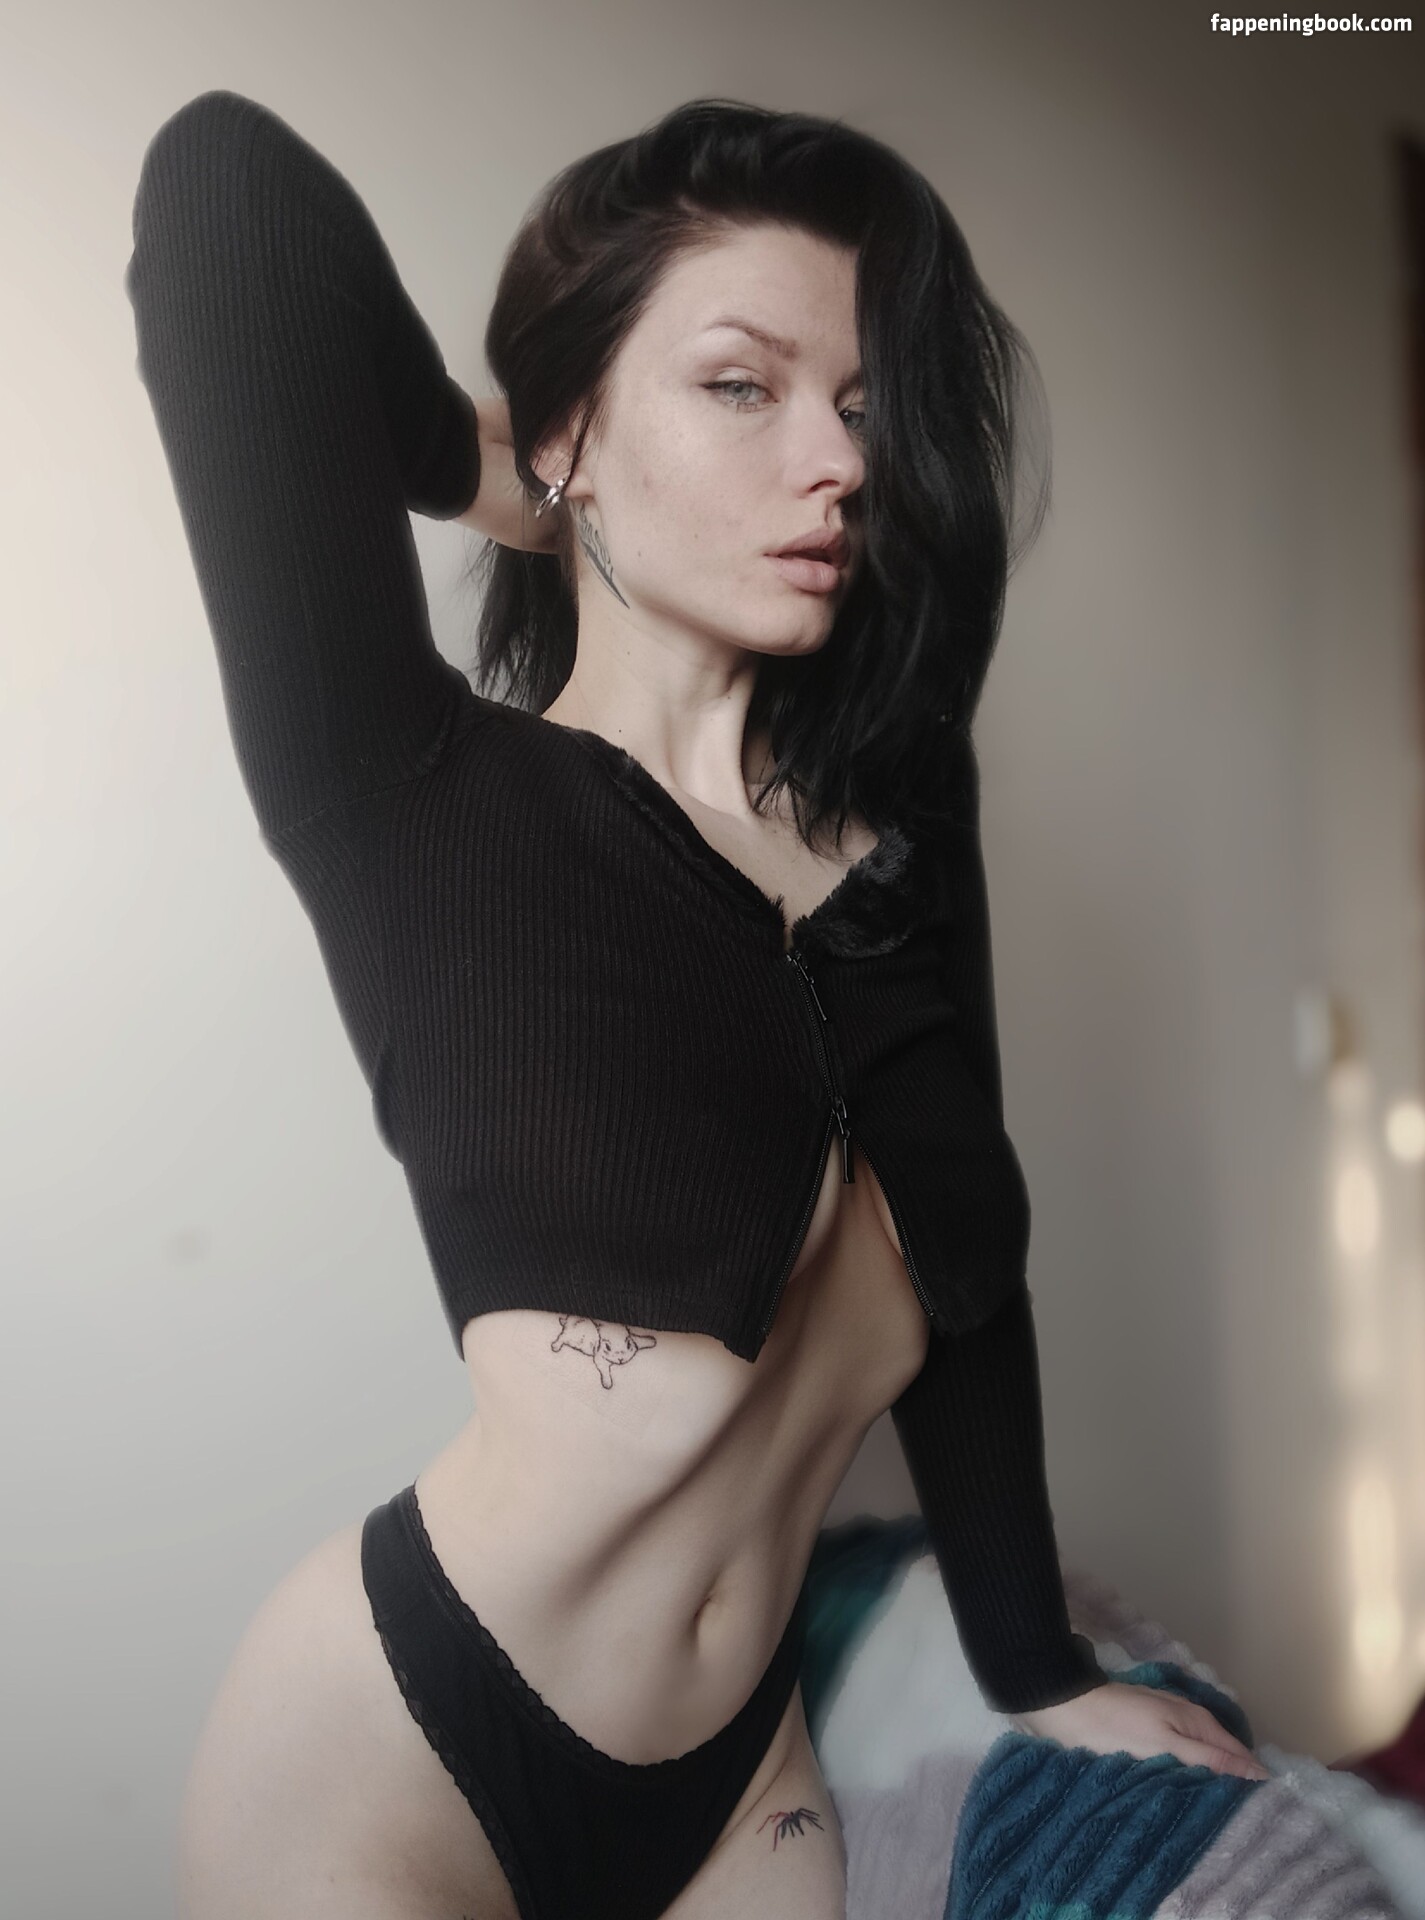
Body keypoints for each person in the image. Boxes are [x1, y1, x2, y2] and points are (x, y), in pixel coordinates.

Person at [125, 85, 1269, 1920]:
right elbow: (225, 195)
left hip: (745, 1782)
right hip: (402, 1758)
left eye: (861, 405)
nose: (836, 461)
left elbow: (973, 1295)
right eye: (742, 385)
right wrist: (505, 478)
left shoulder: (898, 850)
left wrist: (1035, 1666)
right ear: (576, 422)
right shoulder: (414, 797)